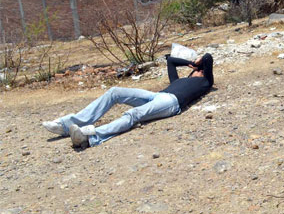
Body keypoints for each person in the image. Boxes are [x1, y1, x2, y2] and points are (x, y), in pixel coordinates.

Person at [42, 54, 214, 148]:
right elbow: (170, 60)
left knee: (133, 114)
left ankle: (88, 137)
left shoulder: (205, 82)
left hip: (171, 103)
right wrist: (190, 63)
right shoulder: (178, 81)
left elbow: (208, 58)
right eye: (197, 70)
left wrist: (199, 63)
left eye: (201, 70)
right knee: (115, 92)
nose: (199, 71)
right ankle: (66, 125)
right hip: (157, 96)